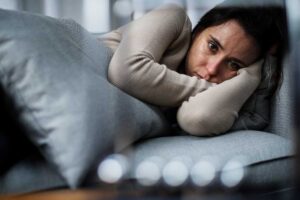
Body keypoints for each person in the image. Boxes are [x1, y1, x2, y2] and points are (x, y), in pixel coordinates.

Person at [98, 0, 286, 136]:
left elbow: (198, 118)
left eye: (234, 64)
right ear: (198, 32)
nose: (212, 69)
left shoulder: (208, 100)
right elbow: (125, 72)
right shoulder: (172, 16)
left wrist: (253, 75)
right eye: (212, 47)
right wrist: (215, 89)